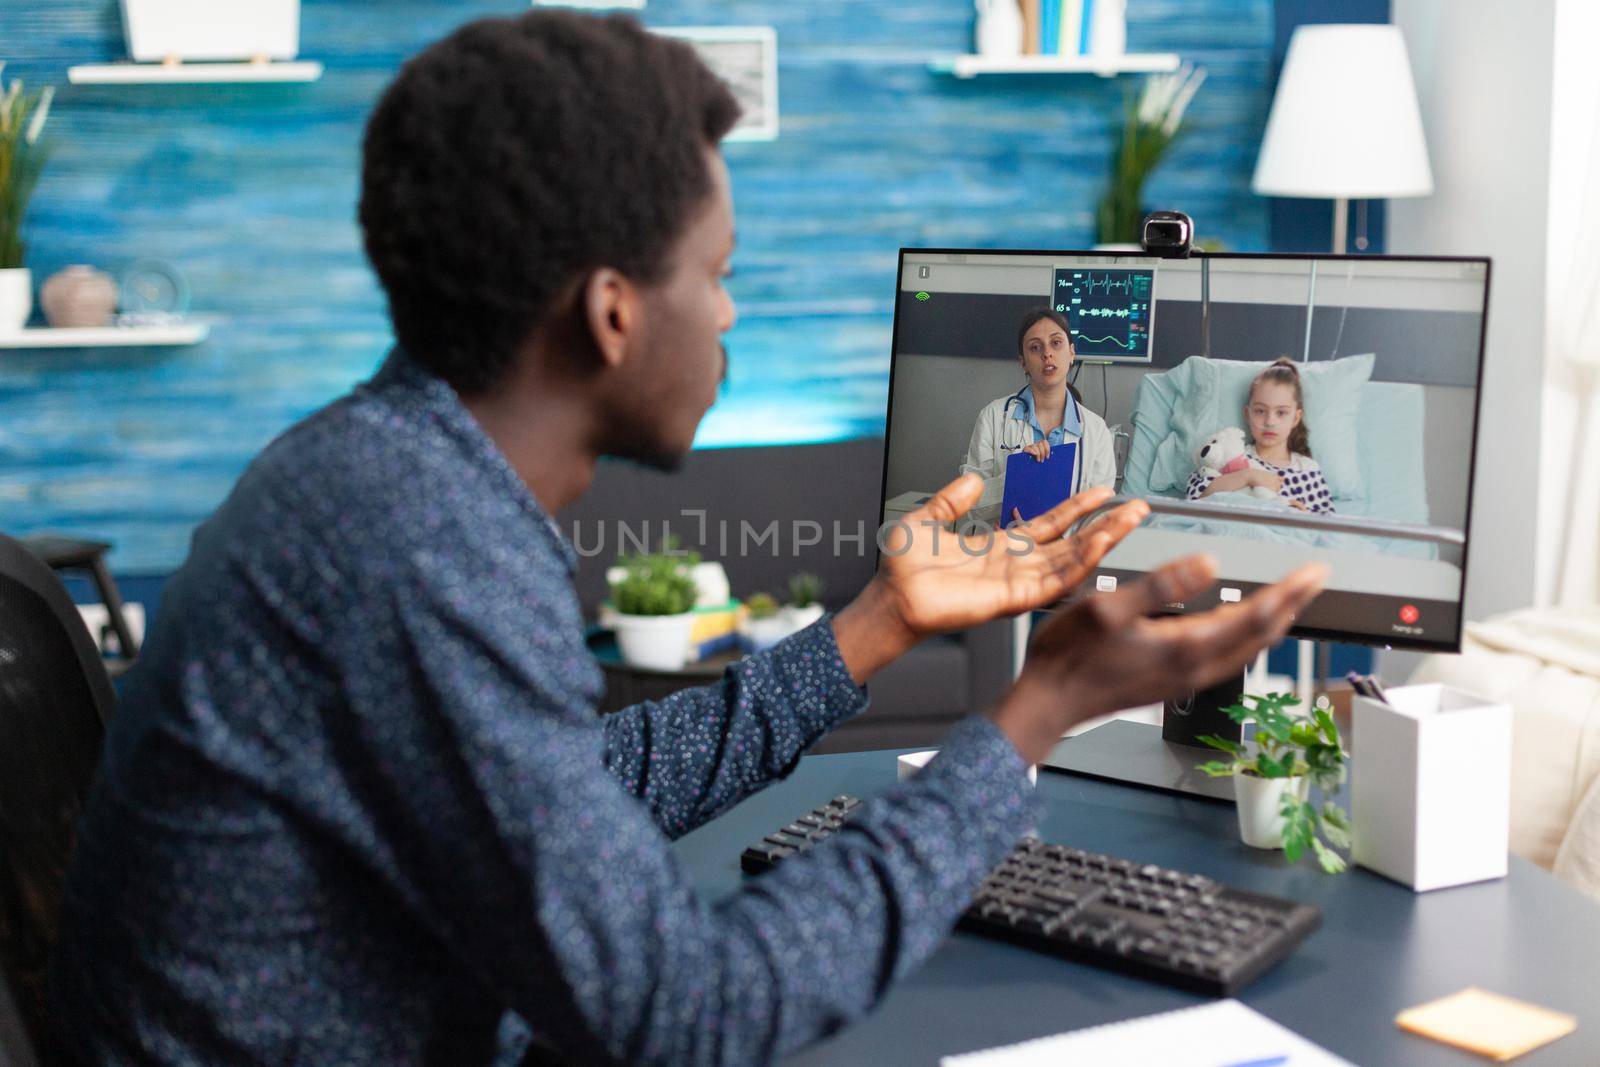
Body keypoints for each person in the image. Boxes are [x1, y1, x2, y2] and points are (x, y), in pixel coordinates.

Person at [47, 12, 1326, 1066]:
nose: (726, 313)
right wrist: (1027, 718)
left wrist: (872, 628)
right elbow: (686, 1013)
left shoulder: (387, 470)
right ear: (610, 311)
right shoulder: (417, 543)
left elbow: (575, 790)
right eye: (713, 272)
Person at [962, 308, 1118, 526]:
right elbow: (969, 504)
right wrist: (1018, 477)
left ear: (1071, 353)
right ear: (1023, 362)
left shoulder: (1096, 430)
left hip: (1063, 552)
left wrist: (1059, 531)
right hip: (1001, 549)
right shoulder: (994, 416)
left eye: (1056, 343)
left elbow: (1101, 514)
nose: (1047, 353)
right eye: (1035, 347)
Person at [1187, 357, 1335, 514]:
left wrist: (1295, 512)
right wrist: (1248, 476)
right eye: (1260, 411)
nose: (1270, 421)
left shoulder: (1306, 468)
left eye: (1281, 412)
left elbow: (1325, 523)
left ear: (1296, 418)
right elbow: (1196, 497)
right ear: (1247, 414)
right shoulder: (1234, 457)